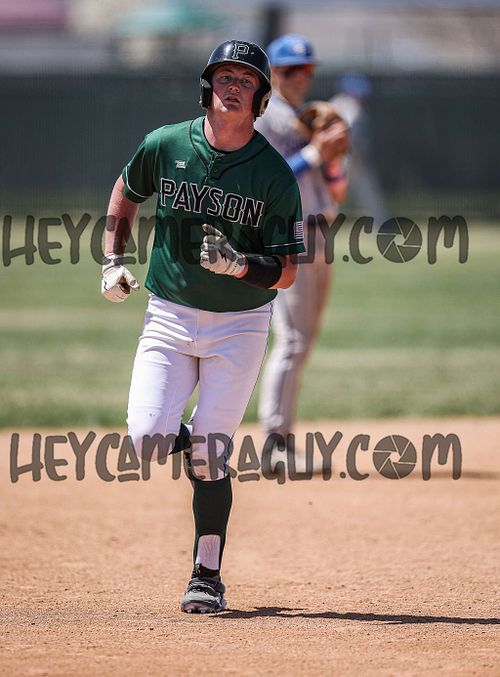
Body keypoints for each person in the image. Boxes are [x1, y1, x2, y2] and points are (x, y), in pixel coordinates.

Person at [100, 39, 304, 614]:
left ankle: (206, 574)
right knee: (147, 440)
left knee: (210, 456)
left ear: (260, 98)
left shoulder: (272, 174)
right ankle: (201, 446)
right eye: (224, 76)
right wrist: (113, 260)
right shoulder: (165, 144)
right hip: (169, 314)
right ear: (207, 87)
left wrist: (239, 265)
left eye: (246, 79)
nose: (232, 85)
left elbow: (288, 271)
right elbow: (126, 191)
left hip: (239, 326)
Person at [255, 34, 349, 457]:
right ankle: (275, 442)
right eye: (292, 69)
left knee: (305, 339)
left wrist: (332, 159)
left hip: (319, 233)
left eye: (308, 69)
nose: (301, 77)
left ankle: (283, 438)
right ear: (274, 73)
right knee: (293, 339)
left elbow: (336, 188)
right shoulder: (267, 116)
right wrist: (314, 152)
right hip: (288, 235)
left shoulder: (302, 115)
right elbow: (269, 182)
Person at [330, 73, 387, 227]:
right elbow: (349, 132)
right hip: (347, 157)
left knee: (335, 193)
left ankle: (322, 223)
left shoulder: (335, 103)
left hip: (336, 156)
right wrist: (355, 154)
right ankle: (379, 223)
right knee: (363, 190)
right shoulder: (350, 106)